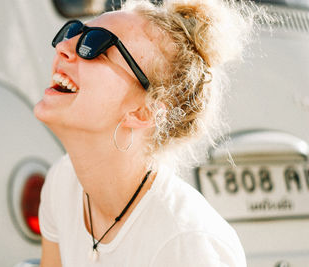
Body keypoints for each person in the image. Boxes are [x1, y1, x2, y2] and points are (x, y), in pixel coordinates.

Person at [34, 0, 257, 266]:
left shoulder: (187, 245)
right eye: (73, 32)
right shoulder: (63, 182)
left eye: (94, 45)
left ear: (143, 112)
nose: (62, 47)